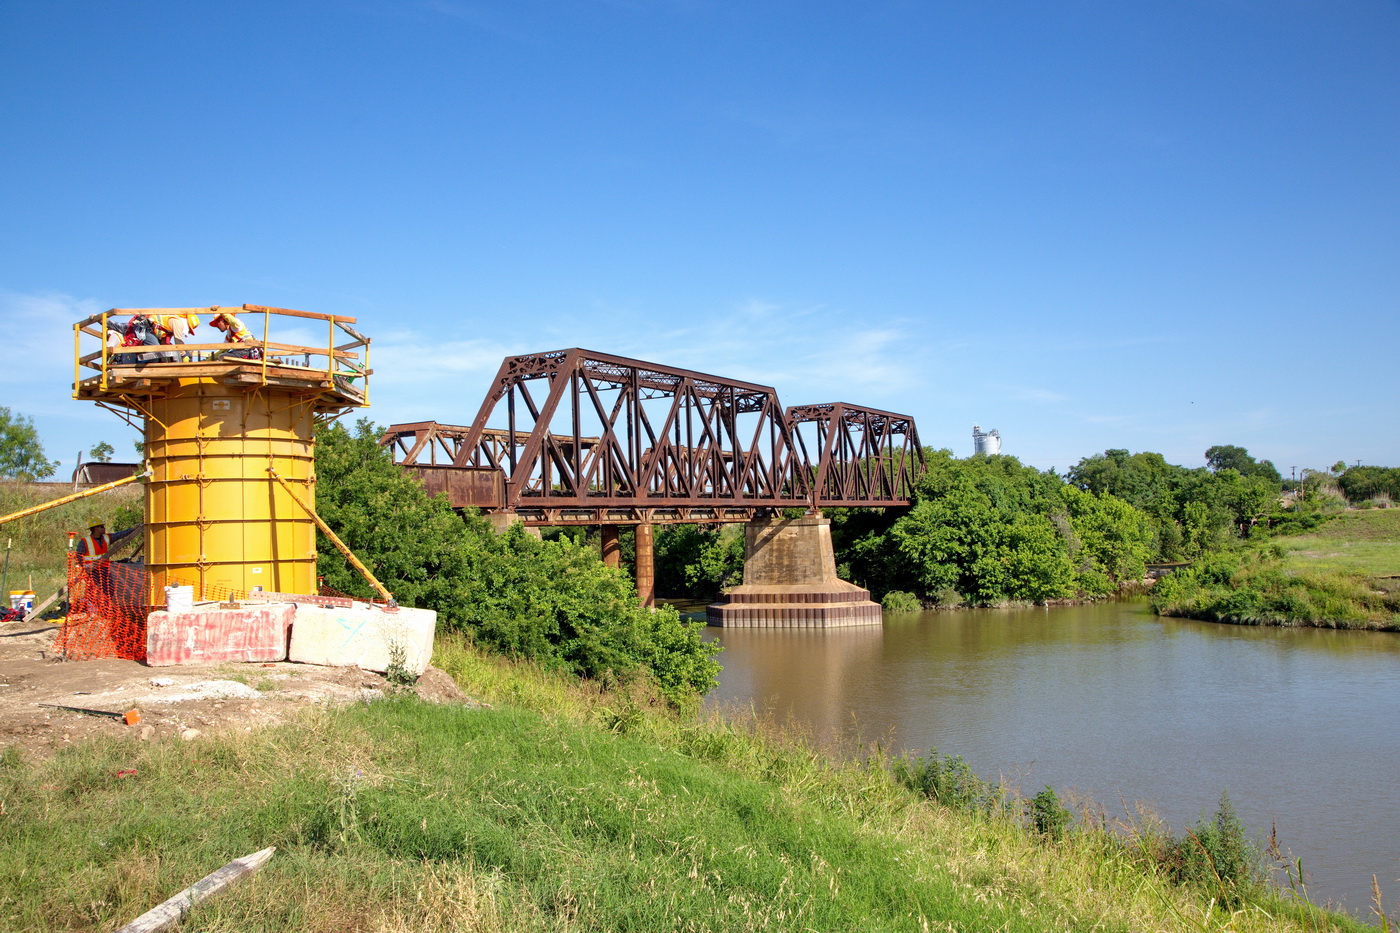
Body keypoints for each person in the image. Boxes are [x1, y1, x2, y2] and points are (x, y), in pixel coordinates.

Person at [74, 520, 139, 609]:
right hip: (92, 570)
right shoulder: (85, 541)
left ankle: (105, 609)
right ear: (95, 529)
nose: (104, 528)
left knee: (109, 589)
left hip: (105, 568)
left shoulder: (107, 538)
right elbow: (78, 556)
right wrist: (85, 566)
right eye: (102, 527)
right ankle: (92, 610)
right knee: (92, 590)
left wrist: (133, 529)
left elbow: (120, 534)